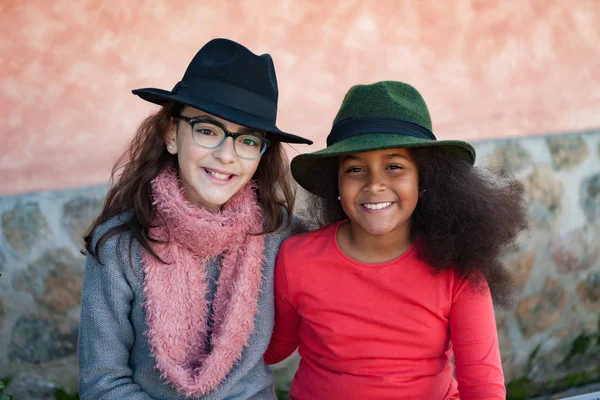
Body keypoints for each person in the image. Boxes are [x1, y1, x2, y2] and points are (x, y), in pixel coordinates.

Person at [78, 38, 312, 400]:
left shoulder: (278, 233)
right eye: (207, 130)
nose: (225, 155)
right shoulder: (119, 245)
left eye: (248, 141)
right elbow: (102, 381)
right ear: (172, 134)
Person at [265, 81, 528, 399]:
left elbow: (483, 387)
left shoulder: (457, 267)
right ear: (337, 182)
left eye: (394, 166)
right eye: (356, 169)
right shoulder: (297, 258)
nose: (374, 184)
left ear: (424, 179)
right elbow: (273, 350)